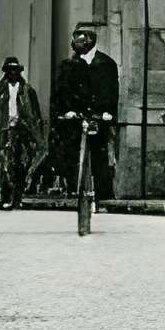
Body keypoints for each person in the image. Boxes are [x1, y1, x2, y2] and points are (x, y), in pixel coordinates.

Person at [51, 22, 120, 205]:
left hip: (99, 116)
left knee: (100, 156)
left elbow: (112, 91)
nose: (77, 46)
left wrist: (108, 112)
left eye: (81, 42)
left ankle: (103, 195)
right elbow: (61, 91)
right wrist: (67, 111)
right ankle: (73, 190)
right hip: (77, 116)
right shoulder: (68, 65)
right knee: (72, 152)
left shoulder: (106, 64)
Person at [0, 56, 39, 209]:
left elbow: (35, 113)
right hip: (4, 130)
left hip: (22, 130)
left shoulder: (28, 90)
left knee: (21, 164)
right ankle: (6, 198)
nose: (13, 73)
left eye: (16, 70)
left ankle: (18, 198)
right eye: (10, 70)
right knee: (5, 165)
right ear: (6, 72)